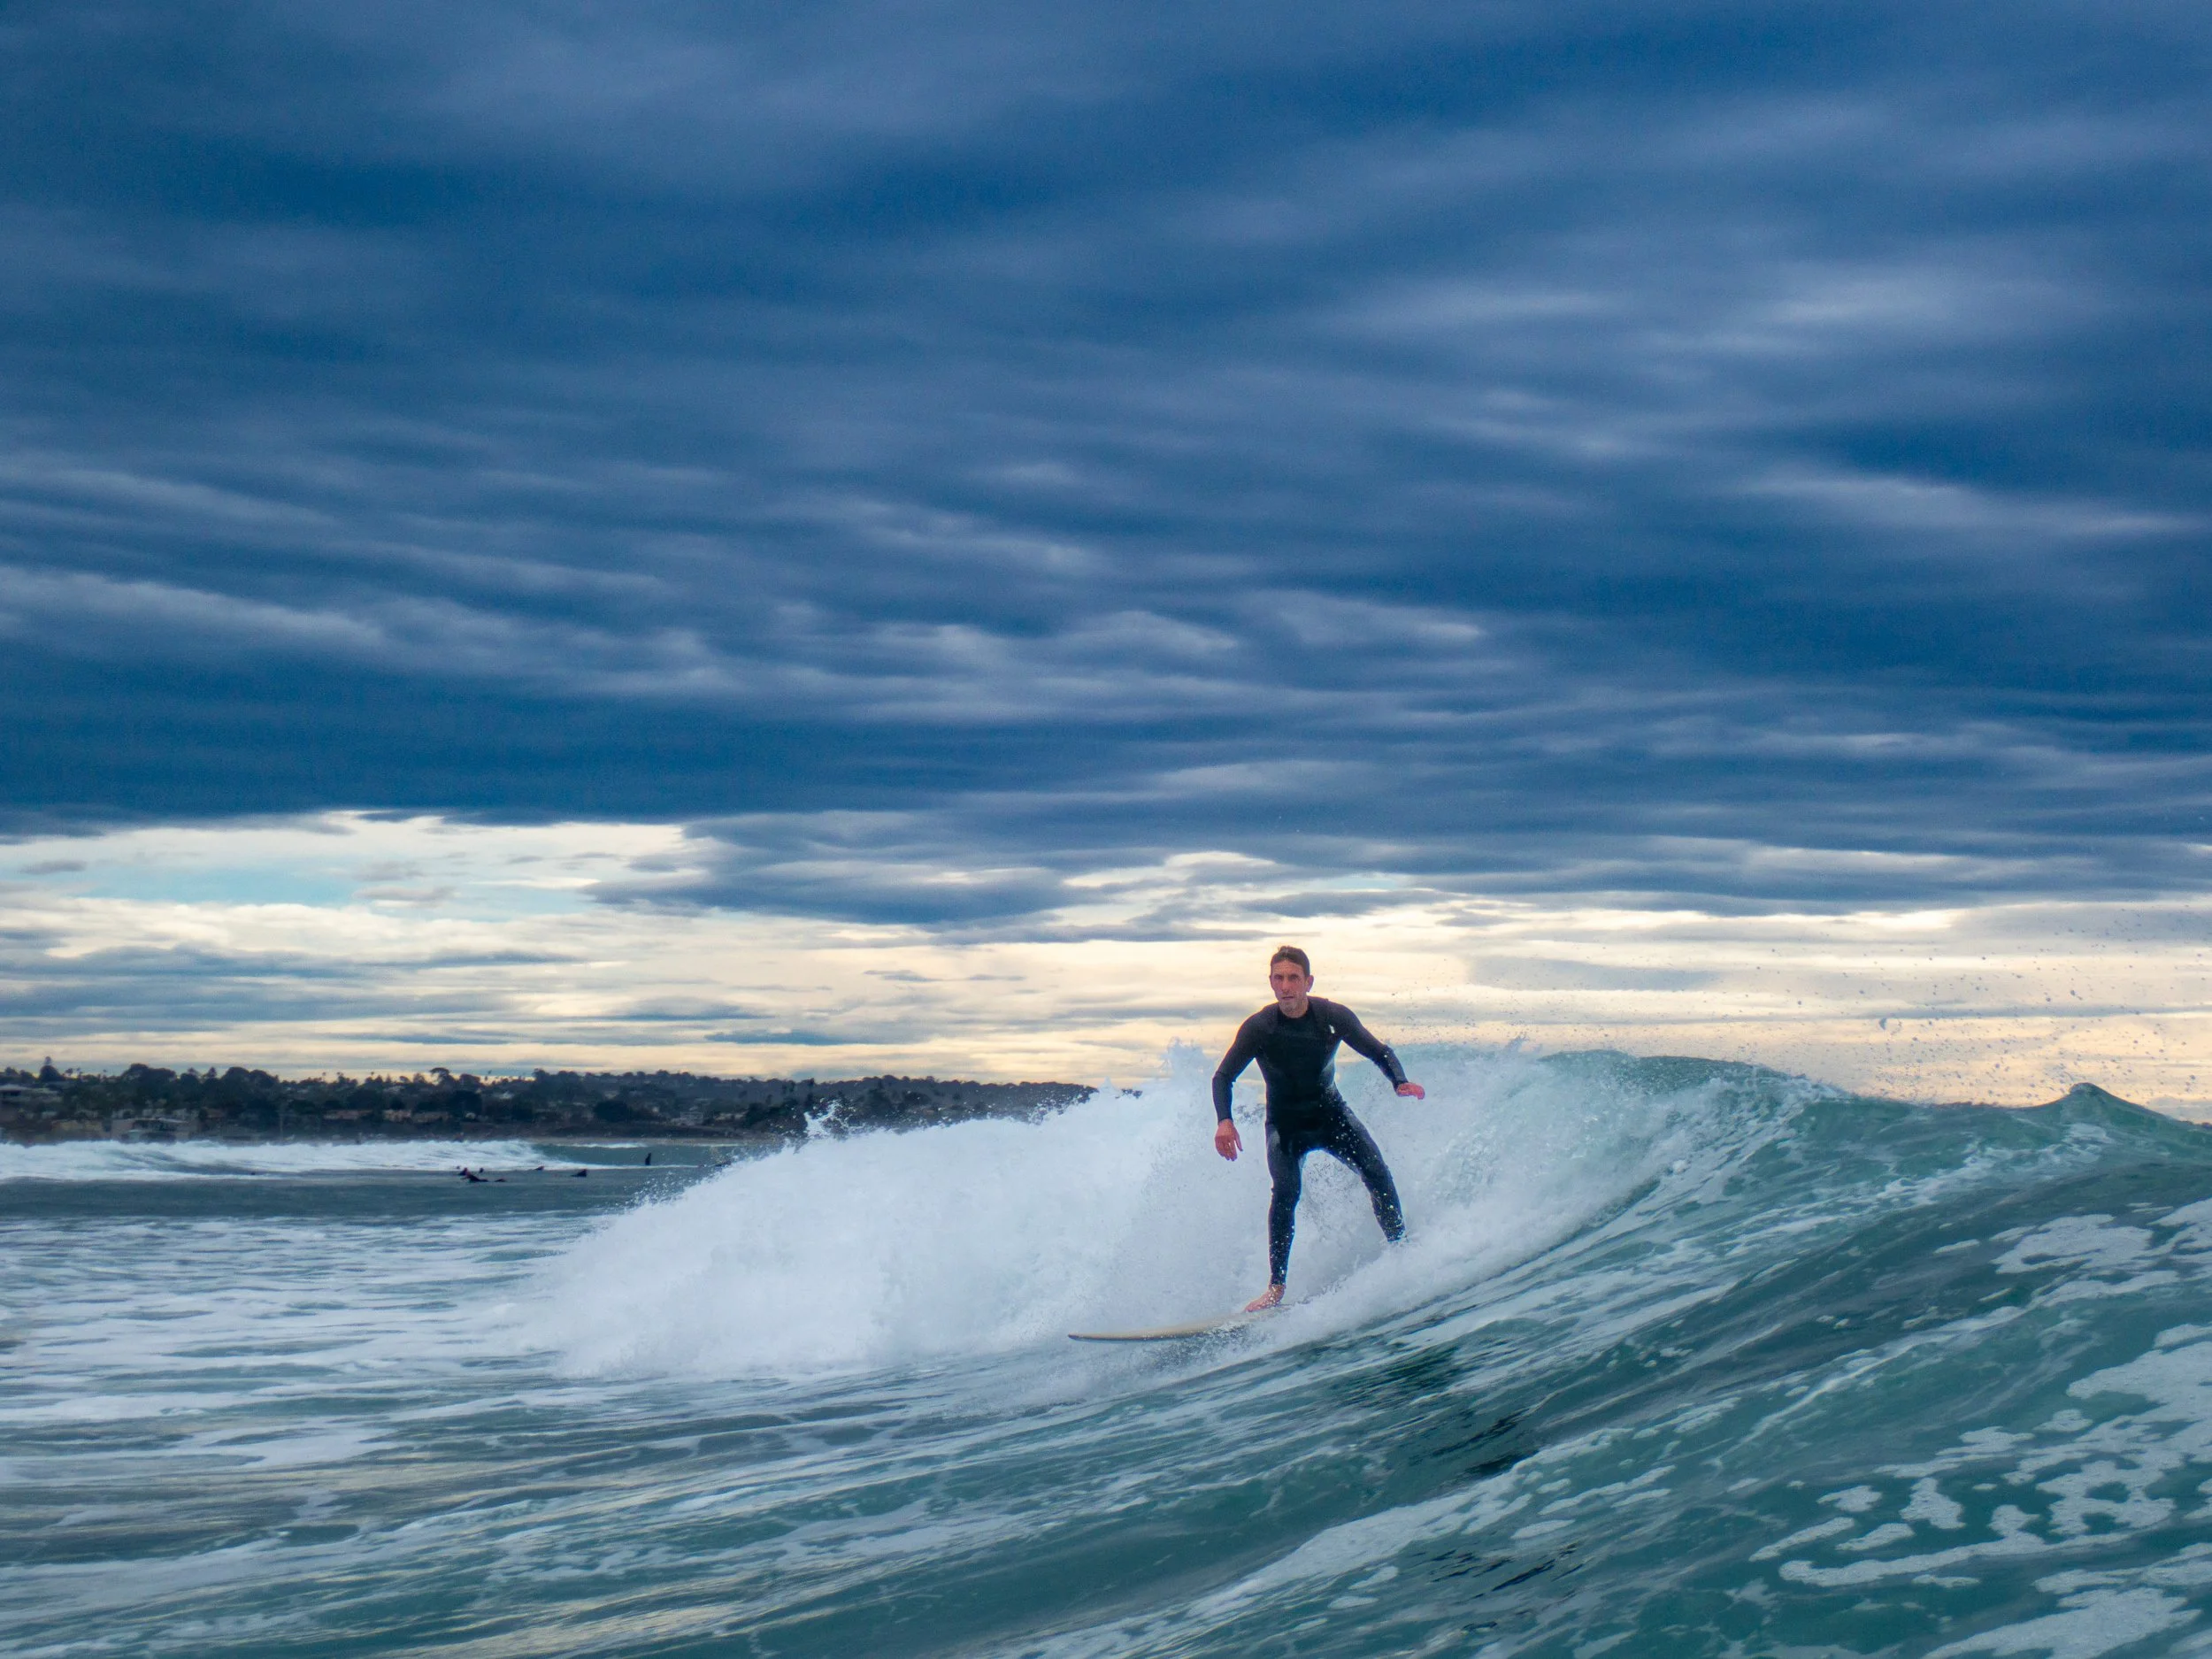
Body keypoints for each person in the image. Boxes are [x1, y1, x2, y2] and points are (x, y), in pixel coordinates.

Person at [1212, 946, 1425, 1310]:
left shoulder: (1332, 1016)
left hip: (1331, 1116)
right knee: (1286, 1192)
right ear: (1270, 983)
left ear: (1308, 982)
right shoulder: (1260, 1027)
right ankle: (1276, 1289)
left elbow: (1379, 1051)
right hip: (1285, 1126)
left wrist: (1398, 1081)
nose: (1286, 986)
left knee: (1377, 1173)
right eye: (1278, 978)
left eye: (1293, 977)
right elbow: (1224, 1077)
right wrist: (1225, 1121)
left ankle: (1402, 1250)